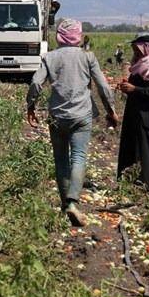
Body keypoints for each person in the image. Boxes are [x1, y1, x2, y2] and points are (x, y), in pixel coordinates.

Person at [26, 19, 119, 226]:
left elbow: (35, 82)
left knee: (60, 160)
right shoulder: (88, 57)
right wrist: (111, 110)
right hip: (81, 115)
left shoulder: (50, 57)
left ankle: (64, 205)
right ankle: (72, 202)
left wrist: (30, 105)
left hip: (57, 116)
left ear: (59, 36)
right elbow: (103, 86)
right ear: (78, 36)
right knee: (78, 157)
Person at [117, 35, 149, 192]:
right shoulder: (138, 66)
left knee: (143, 148)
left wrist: (135, 89)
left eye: (137, 51)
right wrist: (126, 87)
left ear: (147, 49)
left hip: (146, 114)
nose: (135, 54)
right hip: (132, 112)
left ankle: (144, 185)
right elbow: (134, 86)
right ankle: (126, 182)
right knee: (129, 146)